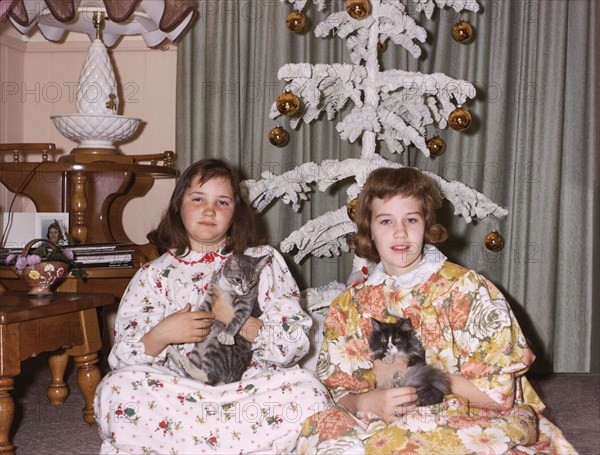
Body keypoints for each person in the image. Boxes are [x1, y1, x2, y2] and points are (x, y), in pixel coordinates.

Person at [297, 167, 575, 454]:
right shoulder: (348, 306)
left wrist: (424, 380)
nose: (400, 232)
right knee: (319, 431)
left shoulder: (469, 290)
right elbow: (338, 392)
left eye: (411, 219)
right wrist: (368, 402)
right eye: (386, 221)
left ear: (427, 224)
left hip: (466, 414)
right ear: (369, 229)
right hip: (377, 416)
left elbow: (498, 397)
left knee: (415, 444)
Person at [94, 159, 333, 454]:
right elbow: (123, 358)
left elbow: (291, 347)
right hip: (177, 394)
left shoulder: (262, 261)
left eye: (222, 202)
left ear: (236, 213)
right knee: (117, 389)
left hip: (249, 391)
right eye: (198, 199)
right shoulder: (153, 275)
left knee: (310, 393)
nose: (210, 210)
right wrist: (161, 334)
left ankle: (186, 446)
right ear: (178, 206)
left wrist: (240, 322)